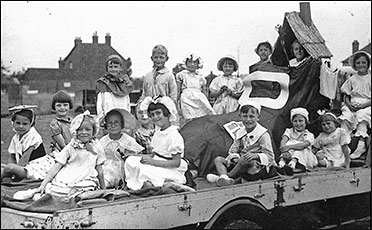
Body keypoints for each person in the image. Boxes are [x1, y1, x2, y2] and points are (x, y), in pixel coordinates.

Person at [29, 111, 106, 199]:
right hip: (69, 174)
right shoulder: (72, 145)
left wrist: (104, 189)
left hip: (86, 176)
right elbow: (57, 165)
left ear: (93, 131)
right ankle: (59, 196)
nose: (84, 132)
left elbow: (99, 170)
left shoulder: (97, 146)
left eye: (88, 129)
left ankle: (79, 196)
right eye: (80, 129)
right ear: (75, 131)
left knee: (86, 189)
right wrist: (43, 184)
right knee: (57, 189)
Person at [124, 96, 188, 190]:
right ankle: (148, 183)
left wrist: (152, 162)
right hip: (157, 161)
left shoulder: (173, 135)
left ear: (168, 114)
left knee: (144, 170)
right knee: (130, 161)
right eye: (152, 114)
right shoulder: (158, 132)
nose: (155, 117)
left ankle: (164, 183)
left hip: (171, 168)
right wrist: (139, 157)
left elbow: (176, 163)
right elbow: (154, 154)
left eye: (158, 113)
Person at [206, 101, 277, 186]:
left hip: (256, 165)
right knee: (218, 159)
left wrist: (256, 156)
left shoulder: (263, 134)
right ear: (240, 117)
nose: (248, 120)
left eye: (251, 116)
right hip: (240, 163)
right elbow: (233, 150)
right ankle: (225, 178)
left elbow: (270, 156)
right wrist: (235, 158)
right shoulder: (240, 132)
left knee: (245, 159)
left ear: (258, 117)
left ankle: (226, 177)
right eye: (245, 116)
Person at [99, 109, 144, 189]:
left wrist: (128, 154)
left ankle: (104, 184)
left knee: (110, 176)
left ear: (122, 124)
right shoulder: (103, 141)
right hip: (105, 166)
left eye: (116, 123)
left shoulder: (128, 140)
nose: (113, 126)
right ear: (106, 125)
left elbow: (139, 154)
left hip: (121, 168)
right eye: (110, 123)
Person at [338, 51, 371, 159]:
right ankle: (344, 144)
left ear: (368, 64)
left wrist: (362, 106)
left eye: (363, 62)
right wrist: (349, 105)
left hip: (367, 104)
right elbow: (346, 95)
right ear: (354, 65)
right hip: (352, 104)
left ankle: (361, 145)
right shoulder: (351, 79)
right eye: (358, 63)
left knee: (361, 115)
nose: (361, 65)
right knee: (346, 116)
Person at [1, 105, 46, 182]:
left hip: (34, 168)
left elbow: (24, 160)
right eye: (17, 123)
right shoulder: (16, 137)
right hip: (22, 166)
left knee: (9, 168)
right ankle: (7, 176)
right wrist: (12, 168)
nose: (21, 126)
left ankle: (5, 177)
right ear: (13, 123)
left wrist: (13, 170)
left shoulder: (34, 137)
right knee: (8, 167)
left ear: (31, 124)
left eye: (25, 124)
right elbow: (13, 157)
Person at [176, 53, 216, 124]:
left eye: (194, 62)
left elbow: (204, 91)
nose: (192, 64)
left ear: (198, 65)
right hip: (186, 98)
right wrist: (176, 100)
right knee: (188, 117)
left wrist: (206, 100)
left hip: (198, 97)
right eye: (190, 62)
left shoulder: (200, 77)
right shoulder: (182, 75)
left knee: (203, 115)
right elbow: (178, 89)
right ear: (186, 63)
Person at [277, 107, 317, 175]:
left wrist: (289, 147)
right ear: (292, 122)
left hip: (306, 158)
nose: (298, 124)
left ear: (306, 122)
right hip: (289, 156)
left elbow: (303, 145)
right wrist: (284, 150)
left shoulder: (309, 135)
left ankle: (292, 165)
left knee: (299, 147)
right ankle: (281, 164)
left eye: (301, 121)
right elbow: (283, 141)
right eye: (295, 121)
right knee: (288, 143)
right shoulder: (289, 131)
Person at [96, 54, 134, 122]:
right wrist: (101, 117)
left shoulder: (125, 83)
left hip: (123, 117)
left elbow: (127, 103)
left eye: (116, 67)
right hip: (108, 117)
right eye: (110, 67)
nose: (113, 69)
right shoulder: (103, 83)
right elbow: (100, 104)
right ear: (107, 68)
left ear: (120, 68)